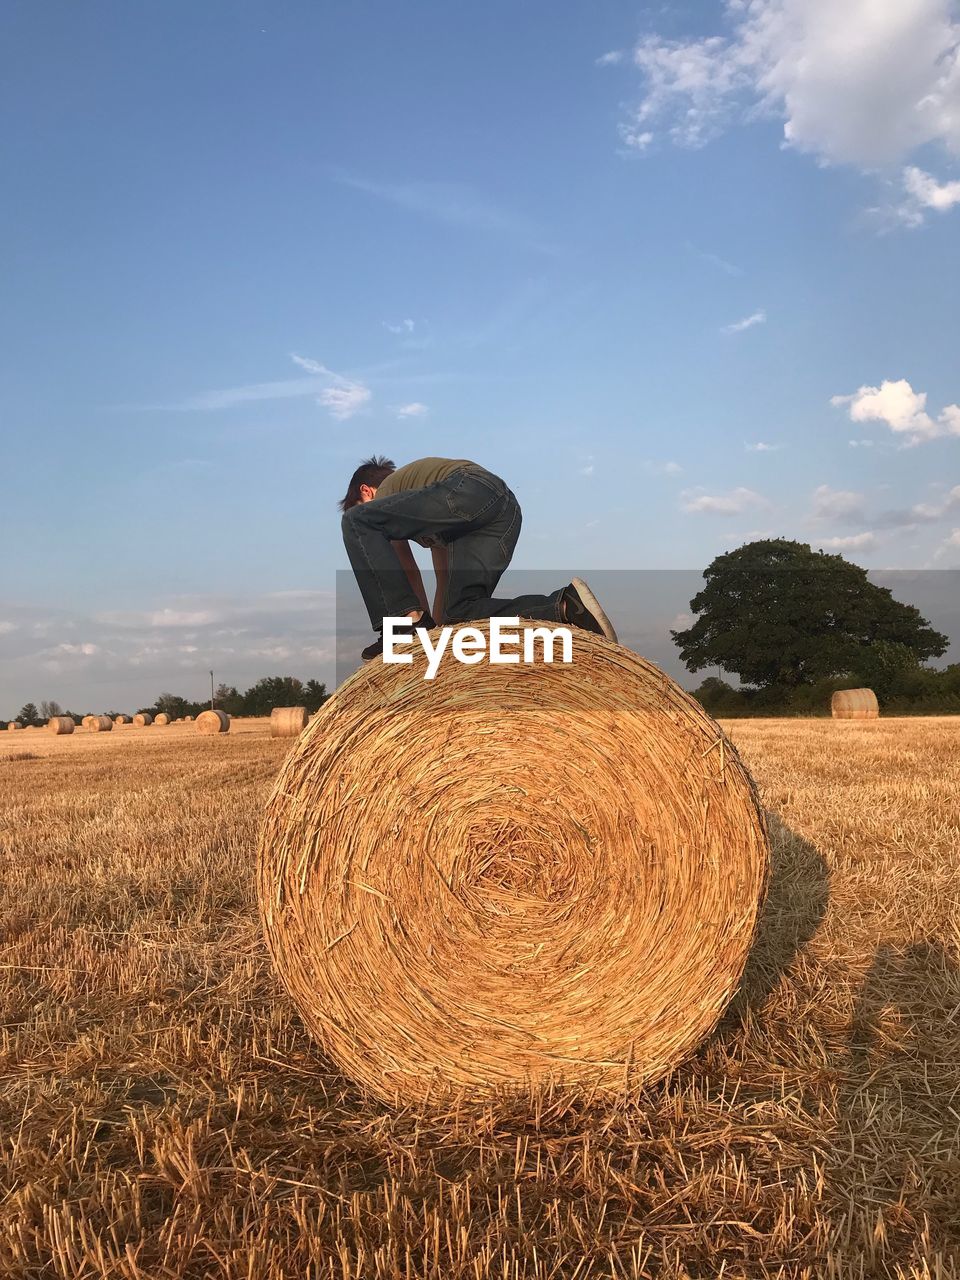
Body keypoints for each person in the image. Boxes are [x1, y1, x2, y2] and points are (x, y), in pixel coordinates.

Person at [339, 455, 618, 660]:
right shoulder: (427, 514)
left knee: (355, 522)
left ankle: (402, 627)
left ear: (366, 491)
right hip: (502, 515)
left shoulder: (389, 489)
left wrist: (406, 624)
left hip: (471, 489)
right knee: (459, 613)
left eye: (362, 504)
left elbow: (406, 570)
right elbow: (442, 577)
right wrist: (437, 636)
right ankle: (566, 607)